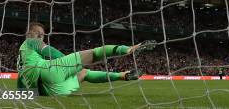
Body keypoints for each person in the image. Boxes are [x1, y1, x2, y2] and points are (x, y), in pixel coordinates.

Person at [17, 22, 156, 96]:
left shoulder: (21, 56)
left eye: (43, 35)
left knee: (83, 73)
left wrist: (22, 95)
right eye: (39, 34)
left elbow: (21, 83)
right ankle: (129, 49)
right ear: (29, 33)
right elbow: (50, 51)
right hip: (50, 71)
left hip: (49, 91)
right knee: (94, 54)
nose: (41, 37)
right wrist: (67, 62)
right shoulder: (31, 41)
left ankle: (122, 75)